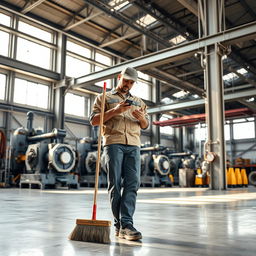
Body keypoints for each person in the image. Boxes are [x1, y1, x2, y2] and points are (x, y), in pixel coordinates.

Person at [90, 67, 149, 241]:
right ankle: (120, 225)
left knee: (133, 184)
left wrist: (141, 118)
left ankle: (126, 224)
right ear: (119, 77)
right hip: (113, 143)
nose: (128, 85)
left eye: (131, 82)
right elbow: (94, 120)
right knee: (115, 185)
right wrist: (115, 110)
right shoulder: (104, 97)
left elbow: (145, 125)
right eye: (126, 81)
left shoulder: (139, 101)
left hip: (133, 145)